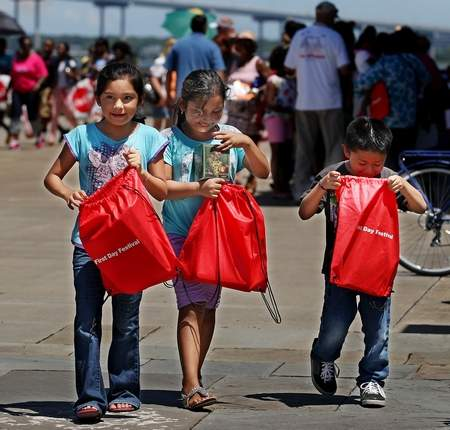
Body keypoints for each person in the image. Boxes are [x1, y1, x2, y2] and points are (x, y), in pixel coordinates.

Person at [43, 62, 167, 422]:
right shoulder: (81, 136)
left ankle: (124, 389)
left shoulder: (148, 138)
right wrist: (68, 193)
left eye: (128, 98)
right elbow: (52, 176)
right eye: (110, 98)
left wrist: (141, 169)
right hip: (88, 243)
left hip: (131, 246)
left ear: (139, 100)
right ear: (97, 99)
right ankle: (90, 395)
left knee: (127, 321)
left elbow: (161, 190)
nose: (119, 106)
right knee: (87, 321)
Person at [298, 117, 426, 408]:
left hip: (377, 270)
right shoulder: (332, 176)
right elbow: (305, 211)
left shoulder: (388, 179)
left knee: (378, 329)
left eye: (376, 165)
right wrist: (322, 188)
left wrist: (403, 187)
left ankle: (372, 379)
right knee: (335, 326)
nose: (369, 171)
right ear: (347, 152)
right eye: (361, 164)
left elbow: (421, 206)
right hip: (339, 268)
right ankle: (323, 356)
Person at [161, 70, 269, 410]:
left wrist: (248, 144)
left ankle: (194, 378)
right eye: (198, 111)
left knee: (207, 308)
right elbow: (160, 185)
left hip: (219, 236)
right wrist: (197, 188)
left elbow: (264, 172)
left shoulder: (231, 136)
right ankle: (190, 384)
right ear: (182, 106)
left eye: (215, 112)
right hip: (181, 235)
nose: (207, 119)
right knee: (190, 307)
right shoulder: (169, 139)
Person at [284, 1, 351, 200]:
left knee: (304, 148)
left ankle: (299, 191)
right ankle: (332, 191)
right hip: (330, 99)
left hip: (304, 101)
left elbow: (289, 67)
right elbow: (345, 69)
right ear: (331, 16)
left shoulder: (299, 36)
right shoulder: (335, 37)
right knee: (333, 147)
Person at [355, 30, 430, 170]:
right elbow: (426, 78)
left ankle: (391, 190)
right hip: (410, 119)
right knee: (406, 159)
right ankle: (406, 187)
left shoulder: (384, 63)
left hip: (387, 119)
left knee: (387, 161)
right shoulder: (411, 60)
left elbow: (361, 84)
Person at [165, 14, 225, 107]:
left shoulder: (178, 44)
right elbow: (220, 73)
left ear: (191, 26)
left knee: (179, 121)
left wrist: (169, 95)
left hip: (182, 93)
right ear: (205, 28)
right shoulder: (212, 47)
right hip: (205, 95)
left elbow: (169, 72)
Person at [263, 45, 296, 198]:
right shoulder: (274, 80)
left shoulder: (290, 80)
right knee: (278, 152)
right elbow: (269, 102)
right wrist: (287, 110)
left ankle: (283, 183)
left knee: (287, 152)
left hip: (286, 118)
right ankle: (278, 184)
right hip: (276, 118)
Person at [9, 35, 48, 150]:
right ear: (21, 46)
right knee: (15, 114)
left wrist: (38, 84)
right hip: (17, 90)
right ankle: (14, 139)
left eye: (28, 46)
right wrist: (8, 89)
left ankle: (39, 136)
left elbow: (44, 74)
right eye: (24, 46)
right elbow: (13, 74)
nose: (26, 48)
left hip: (31, 91)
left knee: (32, 115)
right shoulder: (16, 57)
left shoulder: (35, 58)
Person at [50, 42, 78, 145]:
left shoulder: (70, 61)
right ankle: (52, 135)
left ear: (66, 49)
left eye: (61, 48)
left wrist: (70, 74)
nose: (59, 50)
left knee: (69, 110)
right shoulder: (56, 61)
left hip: (68, 89)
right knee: (54, 113)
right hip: (57, 89)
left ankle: (76, 131)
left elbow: (76, 75)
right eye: (58, 48)